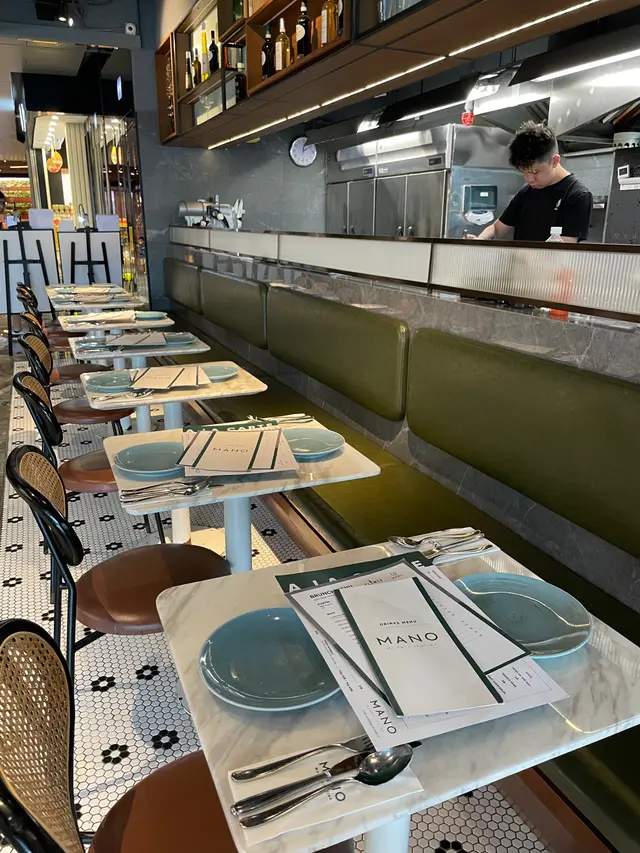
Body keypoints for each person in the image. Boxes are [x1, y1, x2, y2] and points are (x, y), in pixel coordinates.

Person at [472, 122, 592, 243]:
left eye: (535, 171)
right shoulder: (526, 192)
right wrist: (480, 240)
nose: (529, 179)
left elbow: (564, 247)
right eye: (523, 172)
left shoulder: (577, 195)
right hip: (519, 256)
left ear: (555, 161)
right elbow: (496, 229)